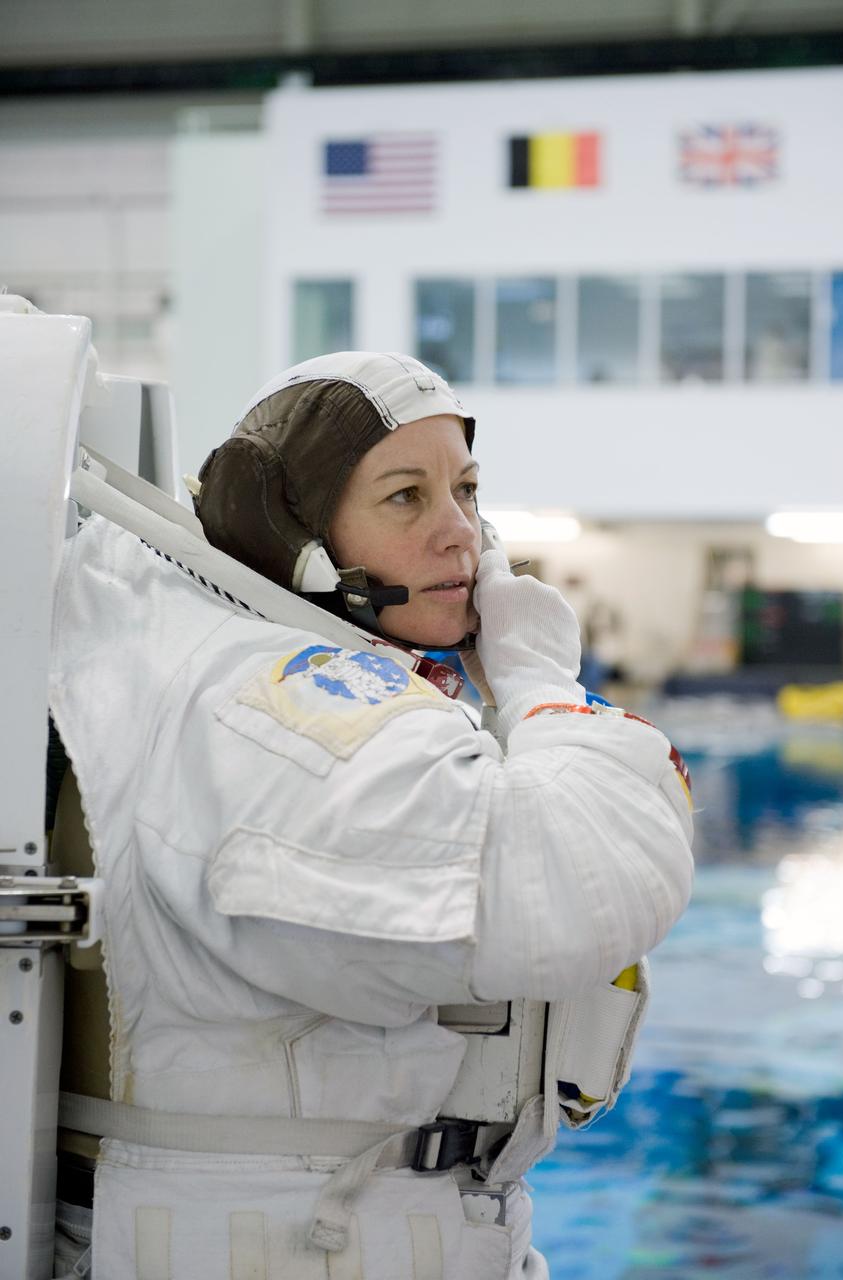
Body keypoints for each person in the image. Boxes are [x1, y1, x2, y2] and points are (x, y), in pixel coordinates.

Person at [49, 351, 694, 1279]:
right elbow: (571, 882)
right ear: (288, 527)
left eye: (466, 491)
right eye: (404, 497)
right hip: (292, 1242)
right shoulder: (270, 707)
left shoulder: (271, 665)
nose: (459, 534)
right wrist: (540, 683)